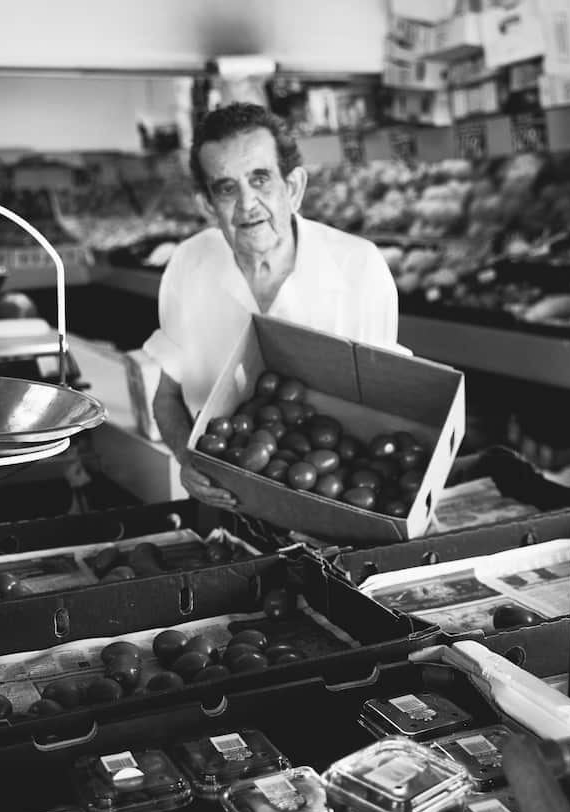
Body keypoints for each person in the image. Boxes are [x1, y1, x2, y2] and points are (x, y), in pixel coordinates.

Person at [144, 103, 400, 509]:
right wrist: (187, 457)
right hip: (228, 506)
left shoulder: (358, 268)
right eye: (226, 188)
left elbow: (391, 410)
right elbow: (166, 399)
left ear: (293, 188)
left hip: (336, 509)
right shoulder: (188, 265)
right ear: (208, 205)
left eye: (260, 180)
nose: (247, 204)